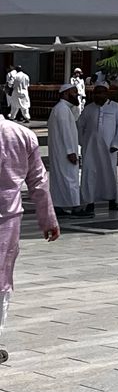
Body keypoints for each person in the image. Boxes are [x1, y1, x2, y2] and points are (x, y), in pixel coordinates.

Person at [0, 116, 60, 365]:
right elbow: (38, 182)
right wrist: (48, 219)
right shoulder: (22, 135)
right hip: (8, 218)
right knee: (2, 278)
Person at [78, 84, 118, 213]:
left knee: (109, 173)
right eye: (96, 93)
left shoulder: (115, 107)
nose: (98, 96)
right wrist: (83, 143)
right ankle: (89, 202)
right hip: (91, 148)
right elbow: (80, 126)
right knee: (90, 173)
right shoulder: (88, 109)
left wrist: (116, 144)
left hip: (109, 148)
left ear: (106, 94)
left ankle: (113, 200)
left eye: (101, 93)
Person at [46, 83, 83, 216]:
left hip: (61, 152)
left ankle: (58, 205)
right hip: (65, 153)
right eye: (74, 92)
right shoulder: (62, 109)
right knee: (70, 178)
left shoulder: (62, 109)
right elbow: (65, 132)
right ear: (66, 94)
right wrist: (70, 151)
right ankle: (75, 207)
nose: (76, 95)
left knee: (61, 179)